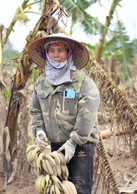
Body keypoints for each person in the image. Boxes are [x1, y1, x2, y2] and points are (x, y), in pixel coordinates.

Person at [28, 33, 100, 194]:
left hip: (81, 144)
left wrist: (73, 141)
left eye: (60, 50)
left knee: (79, 188)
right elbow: (35, 109)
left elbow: (87, 113)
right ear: (46, 54)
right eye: (52, 50)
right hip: (56, 144)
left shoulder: (81, 81)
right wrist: (39, 131)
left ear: (69, 53)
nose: (56, 55)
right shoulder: (41, 82)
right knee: (57, 187)